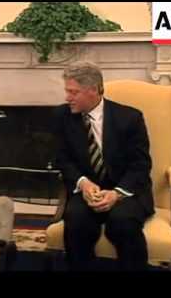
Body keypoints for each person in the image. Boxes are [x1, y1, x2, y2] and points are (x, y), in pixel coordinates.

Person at [55, 61, 154, 271]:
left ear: (93, 90)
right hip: (88, 191)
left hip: (126, 191)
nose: (67, 98)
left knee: (122, 223)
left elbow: (140, 165)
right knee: (76, 221)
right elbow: (62, 160)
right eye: (67, 91)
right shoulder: (61, 116)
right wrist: (83, 183)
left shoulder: (130, 118)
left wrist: (117, 193)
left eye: (73, 92)